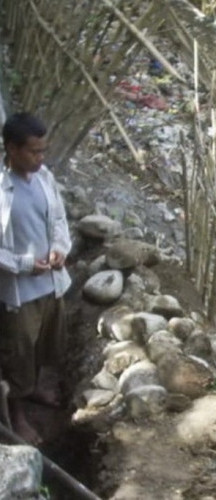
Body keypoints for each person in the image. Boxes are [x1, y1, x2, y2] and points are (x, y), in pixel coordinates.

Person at [0, 112, 71, 445]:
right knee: (18, 353)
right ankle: (17, 415)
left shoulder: (44, 178)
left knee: (47, 343)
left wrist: (59, 249)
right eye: (33, 151)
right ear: (12, 148)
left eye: (43, 150)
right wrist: (25, 264)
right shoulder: (2, 188)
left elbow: (58, 218)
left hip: (50, 283)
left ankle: (39, 391)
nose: (40, 158)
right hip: (19, 290)